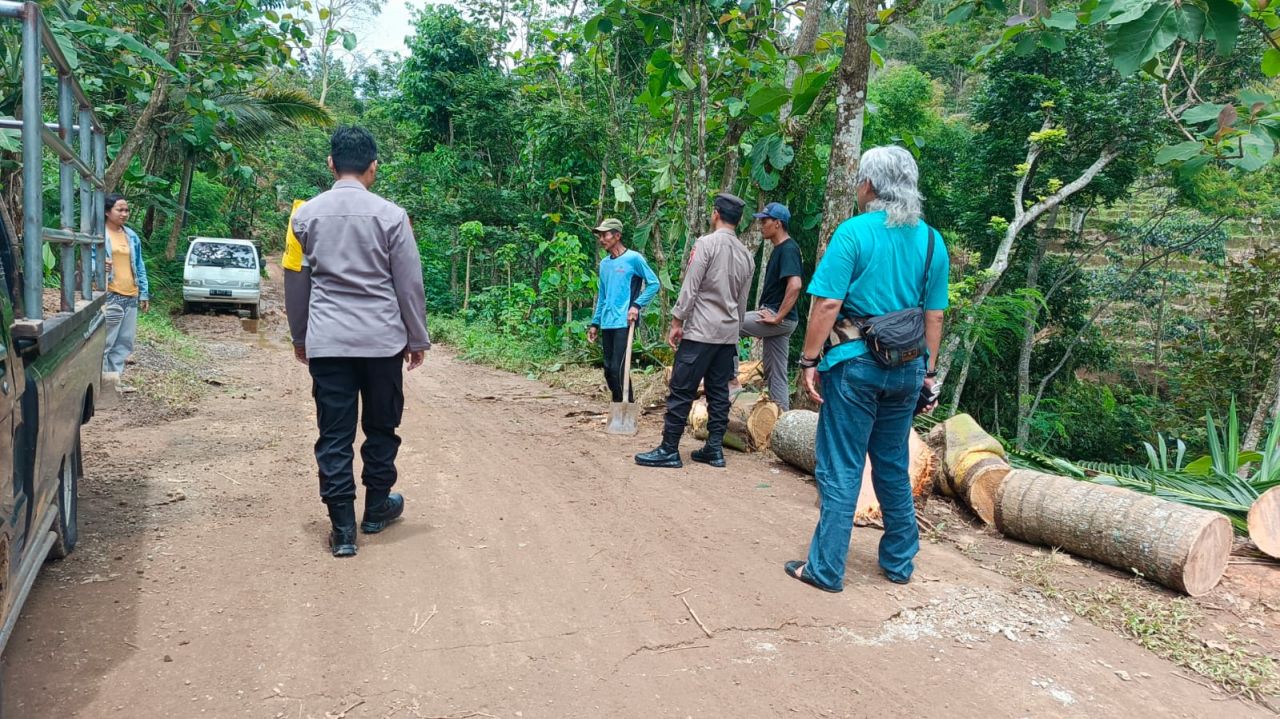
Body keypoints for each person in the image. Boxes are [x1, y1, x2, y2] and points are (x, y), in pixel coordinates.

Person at [784, 145, 949, 592]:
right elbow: (934, 317)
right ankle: (899, 562)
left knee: (841, 466)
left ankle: (825, 568)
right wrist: (927, 373)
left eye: (860, 180)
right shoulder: (933, 241)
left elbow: (828, 304)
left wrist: (810, 360)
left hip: (853, 365)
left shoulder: (854, 233)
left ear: (870, 186)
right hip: (908, 368)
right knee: (892, 464)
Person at [285, 126, 431, 558]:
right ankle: (376, 508)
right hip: (382, 342)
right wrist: (416, 336)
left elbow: (296, 281)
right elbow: (409, 284)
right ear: (373, 168)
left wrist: (301, 336)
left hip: (328, 343)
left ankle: (344, 529)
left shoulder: (303, 216)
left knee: (334, 432)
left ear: (331, 163)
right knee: (381, 426)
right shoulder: (391, 216)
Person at [636, 193, 755, 469]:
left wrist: (677, 320)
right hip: (727, 335)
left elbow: (691, 286)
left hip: (701, 331)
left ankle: (669, 449)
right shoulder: (746, 255)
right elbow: (742, 301)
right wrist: (734, 332)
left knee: (681, 389)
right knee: (718, 393)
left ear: (715, 214)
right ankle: (714, 448)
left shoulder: (706, 244)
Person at [731, 202, 803, 411]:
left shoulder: (788, 249)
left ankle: (731, 379)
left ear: (778, 224)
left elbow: (795, 285)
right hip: (782, 319)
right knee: (777, 374)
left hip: (778, 317)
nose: (761, 225)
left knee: (731, 323)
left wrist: (777, 317)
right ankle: (783, 422)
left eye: (765, 221)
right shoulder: (782, 248)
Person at [587, 218, 659, 403]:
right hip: (607, 321)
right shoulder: (604, 264)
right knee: (608, 368)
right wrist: (595, 323)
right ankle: (621, 404)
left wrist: (636, 305)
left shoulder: (633, 259)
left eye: (605, 235)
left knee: (617, 367)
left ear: (617, 236)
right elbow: (602, 296)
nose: (601, 239)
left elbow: (654, 284)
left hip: (624, 320)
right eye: (600, 235)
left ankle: (624, 405)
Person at [101, 193, 150, 382]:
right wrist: (99, 267)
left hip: (130, 294)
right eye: (119, 210)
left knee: (124, 342)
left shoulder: (131, 236)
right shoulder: (100, 235)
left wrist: (143, 293)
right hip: (111, 293)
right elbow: (87, 262)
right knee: (107, 341)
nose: (124, 213)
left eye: (126, 210)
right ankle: (103, 381)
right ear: (107, 211)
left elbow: (139, 265)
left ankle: (115, 381)